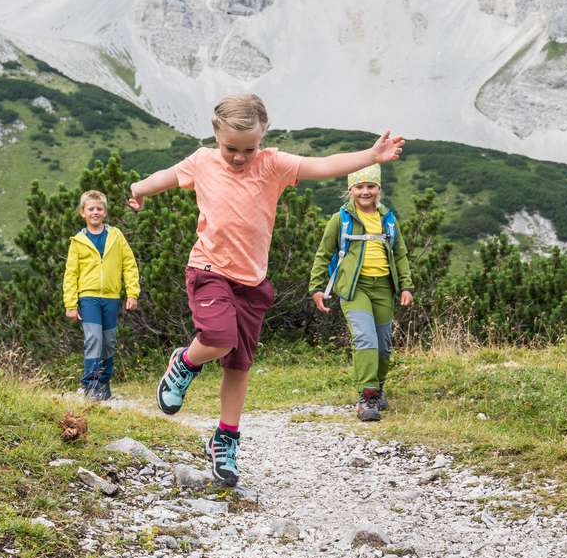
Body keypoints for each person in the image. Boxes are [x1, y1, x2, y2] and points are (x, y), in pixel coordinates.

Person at [126, 93, 404, 487]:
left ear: (262, 138)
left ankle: (225, 440)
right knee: (218, 337)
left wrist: (370, 156)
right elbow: (165, 178)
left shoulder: (272, 164)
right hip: (208, 270)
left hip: (253, 283)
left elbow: (323, 165)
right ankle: (185, 363)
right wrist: (138, 188)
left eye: (249, 149)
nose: (240, 157)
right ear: (216, 136)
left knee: (238, 365)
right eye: (231, 149)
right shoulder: (202, 162)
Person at [308, 165, 414, 421]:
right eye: (359, 187)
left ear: (379, 189)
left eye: (371, 186)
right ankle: (367, 397)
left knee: (383, 346)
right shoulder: (340, 219)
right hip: (355, 289)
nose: (365, 192)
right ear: (350, 190)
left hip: (384, 288)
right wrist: (317, 288)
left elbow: (400, 254)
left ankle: (378, 388)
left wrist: (406, 286)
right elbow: (323, 254)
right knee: (366, 339)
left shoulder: (388, 219)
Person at [62, 190, 141, 401]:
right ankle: (90, 386)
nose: (95, 212)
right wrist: (70, 304)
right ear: (83, 213)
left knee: (108, 341)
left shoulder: (116, 236)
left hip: (111, 297)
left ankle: (104, 386)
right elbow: (71, 274)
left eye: (99, 208)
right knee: (94, 338)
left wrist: (132, 293)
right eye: (91, 209)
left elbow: (129, 265)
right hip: (88, 297)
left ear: (104, 212)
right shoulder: (78, 241)